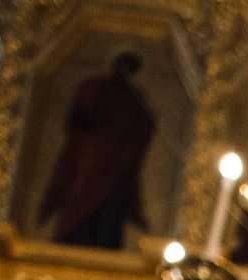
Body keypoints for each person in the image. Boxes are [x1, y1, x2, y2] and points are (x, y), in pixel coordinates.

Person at [36, 52, 159, 249]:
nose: (124, 71)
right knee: (81, 198)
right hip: (90, 159)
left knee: (109, 211)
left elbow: (145, 127)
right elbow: (79, 118)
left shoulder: (135, 97)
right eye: (123, 65)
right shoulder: (94, 87)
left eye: (130, 67)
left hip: (117, 165)